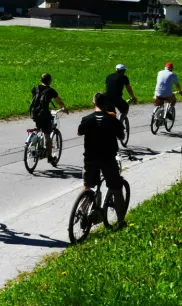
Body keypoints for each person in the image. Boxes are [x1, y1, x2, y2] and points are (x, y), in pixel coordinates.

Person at [77, 92, 125, 223]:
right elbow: (122, 136)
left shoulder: (86, 119)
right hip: (108, 159)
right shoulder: (112, 120)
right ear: (106, 104)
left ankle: (82, 212)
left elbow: (79, 132)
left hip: (90, 159)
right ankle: (121, 222)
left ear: (93, 103)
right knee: (117, 190)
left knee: (88, 186)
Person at [29, 73, 69, 164]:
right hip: (44, 115)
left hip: (34, 114)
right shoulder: (51, 91)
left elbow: (34, 101)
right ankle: (50, 157)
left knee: (39, 129)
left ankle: (36, 146)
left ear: (41, 80)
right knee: (47, 135)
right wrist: (64, 108)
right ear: (50, 81)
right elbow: (59, 101)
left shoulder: (35, 89)